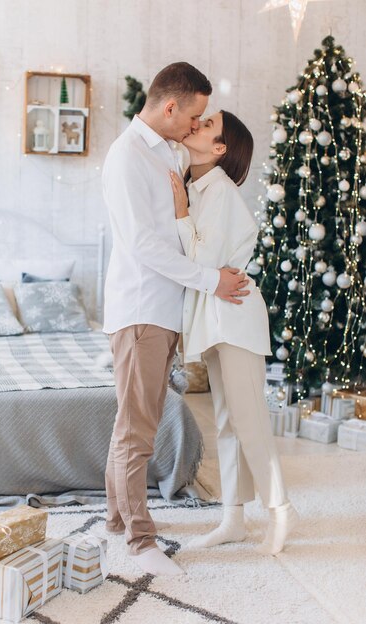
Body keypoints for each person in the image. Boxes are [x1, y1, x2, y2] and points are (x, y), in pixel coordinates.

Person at [102, 63, 250, 577]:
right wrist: (212, 282)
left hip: (164, 312)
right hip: (141, 309)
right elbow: (144, 245)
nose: (196, 124)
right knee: (137, 431)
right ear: (170, 108)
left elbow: (183, 231)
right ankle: (141, 543)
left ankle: (118, 522)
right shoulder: (128, 157)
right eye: (194, 114)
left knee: (133, 425)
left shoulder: (166, 149)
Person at [170, 110, 299, 555]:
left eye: (207, 125)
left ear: (220, 148)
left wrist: (182, 214)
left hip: (236, 314)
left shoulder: (219, 192)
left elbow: (204, 264)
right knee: (226, 423)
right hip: (214, 314)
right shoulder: (196, 185)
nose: (196, 124)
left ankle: (280, 509)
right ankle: (234, 519)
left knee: (249, 420)